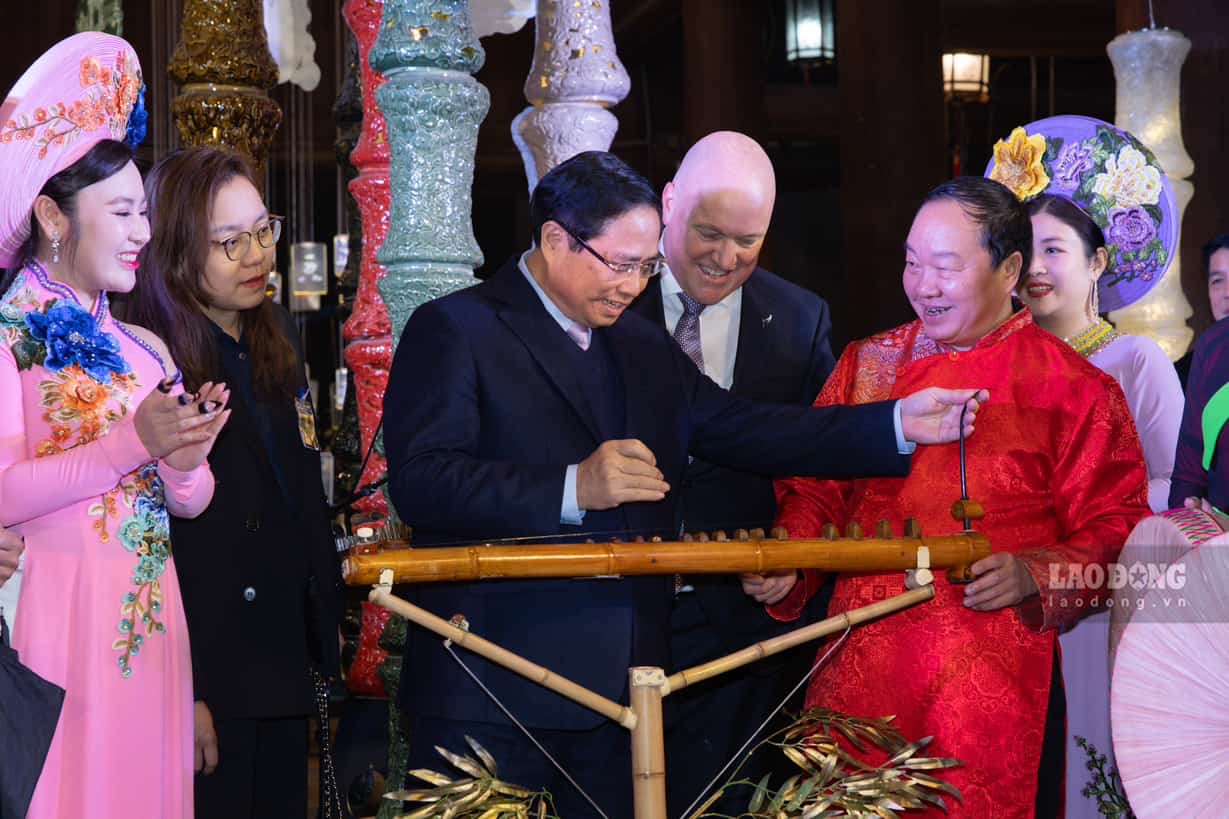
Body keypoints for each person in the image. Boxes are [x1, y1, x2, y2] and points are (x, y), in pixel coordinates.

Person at [383, 150, 986, 818]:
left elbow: (746, 428)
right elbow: (423, 482)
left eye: (645, 269)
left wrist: (895, 424)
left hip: (624, 690)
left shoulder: (637, 347)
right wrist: (571, 485)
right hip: (490, 682)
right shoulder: (458, 327)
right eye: (618, 264)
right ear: (555, 239)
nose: (632, 287)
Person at [762, 176, 1150, 818]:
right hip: (858, 667)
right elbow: (814, 485)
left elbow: (1118, 530)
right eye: (912, 262)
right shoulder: (870, 364)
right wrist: (790, 558)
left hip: (991, 683)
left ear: (1010, 270)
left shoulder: (1076, 389)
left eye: (945, 266)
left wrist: (1035, 572)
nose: (923, 284)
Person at [0, 34, 228, 818]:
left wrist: (184, 455)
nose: (141, 233)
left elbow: (189, 504)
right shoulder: (8, 334)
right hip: (54, 622)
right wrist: (134, 441)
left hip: (148, 620)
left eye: (145, 214)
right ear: (52, 217)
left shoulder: (144, 347)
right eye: (124, 212)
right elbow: (2, 491)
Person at [118, 146, 344, 818]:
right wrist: (183, 687)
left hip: (281, 658)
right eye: (229, 241)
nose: (256, 256)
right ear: (178, 250)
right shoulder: (147, 363)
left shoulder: (275, 341)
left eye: (262, 231)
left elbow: (300, 498)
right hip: (208, 667)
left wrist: (320, 635)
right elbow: (148, 543)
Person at [628, 131, 835, 814]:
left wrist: (791, 554)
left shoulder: (800, 320)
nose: (724, 258)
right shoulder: (603, 297)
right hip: (611, 613)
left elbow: (818, 467)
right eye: (708, 233)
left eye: (746, 242)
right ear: (666, 207)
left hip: (741, 631)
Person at [986, 116, 1184, 817]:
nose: (1035, 268)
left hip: (1102, 603)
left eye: (1054, 249)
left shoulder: (1136, 363)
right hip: (1005, 603)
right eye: (1023, 251)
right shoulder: (995, 370)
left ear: (1098, 261)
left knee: (1088, 766)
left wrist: (1080, 512)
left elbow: (1176, 495)